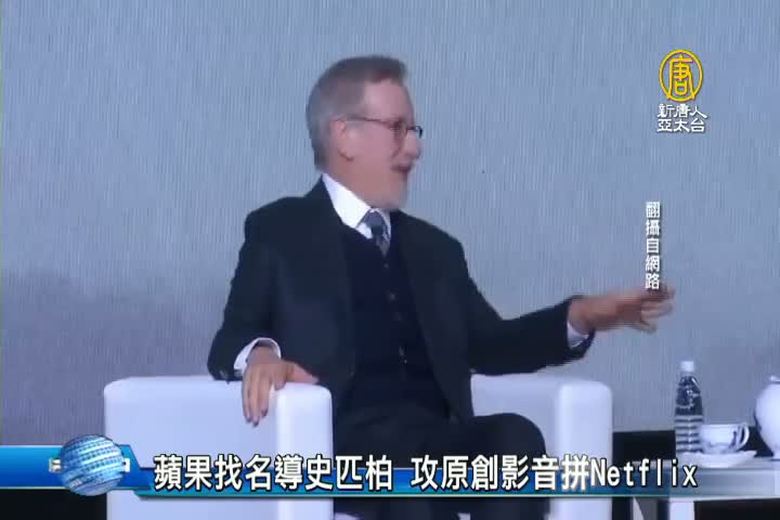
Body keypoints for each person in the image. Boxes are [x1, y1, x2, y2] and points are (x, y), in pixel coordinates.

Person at [207, 55, 674, 520]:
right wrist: (262, 354)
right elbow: (231, 338)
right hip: (344, 451)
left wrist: (582, 316)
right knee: (409, 492)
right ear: (344, 135)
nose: (414, 148)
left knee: (514, 438)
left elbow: (492, 346)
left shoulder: (436, 249)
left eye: (414, 131)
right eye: (398, 129)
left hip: (433, 441)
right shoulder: (280, 232)